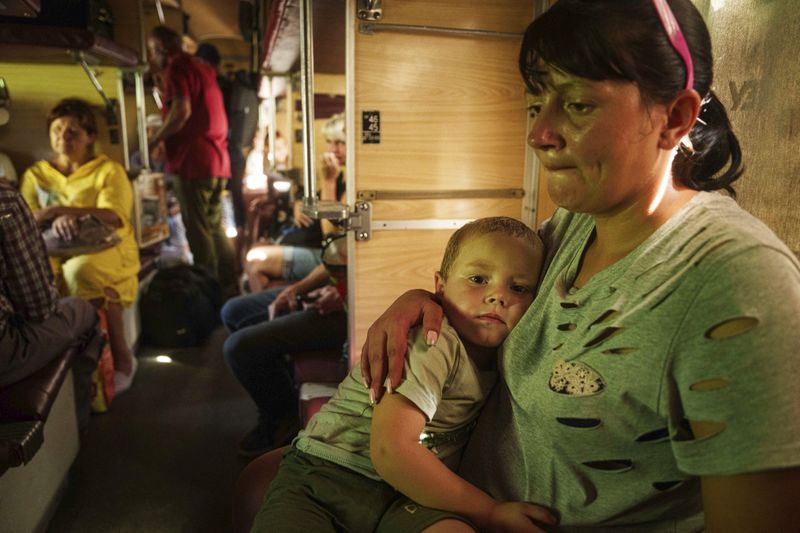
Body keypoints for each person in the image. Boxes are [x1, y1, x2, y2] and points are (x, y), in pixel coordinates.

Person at [361, 1, 800, 531]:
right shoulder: (575, 224)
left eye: (579, 105)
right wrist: (423, 300)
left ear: (676, 117)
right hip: (457, 504)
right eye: (537, 103)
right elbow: (492, 288)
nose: (540, 134)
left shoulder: (734, 285)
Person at [251, 217, 550, 532]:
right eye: (478, 279)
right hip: (328, 475)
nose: (498, 296)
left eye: (518, 287)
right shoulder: (434, 339)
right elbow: (391, 450)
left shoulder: (507, 354)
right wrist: (490, 512)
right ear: (440, 286)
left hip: (407, 494)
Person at [20, 98, 140, 395]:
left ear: (90, 137)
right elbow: (27, 218)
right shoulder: (36, 175)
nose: (63, 137)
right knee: (34, 276)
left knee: (83, 272)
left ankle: (122, 358)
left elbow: (114, 216)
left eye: (73, 131)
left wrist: (61, 211)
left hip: (103, 247)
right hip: (52, 248)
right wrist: (51, 217)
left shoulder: (108, 171)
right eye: (57, 129)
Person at [0, 178, 101, 429]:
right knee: (84, 311)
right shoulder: (6, 200)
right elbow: (39, 307)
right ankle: (78, 429)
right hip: (5, 352)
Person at [222, 260, 348, 457]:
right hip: (337, 286)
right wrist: (295, 290)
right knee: (233, 311)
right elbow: (336, 254)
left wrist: (347, 295)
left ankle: (282, 416)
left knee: (238, 347)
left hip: (354, 307)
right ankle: (278, 395)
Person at [146, 25, 237, 298]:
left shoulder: (176, 68)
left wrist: (155, 139)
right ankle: (228, 285)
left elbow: (181, 111)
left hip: (192, 162)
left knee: (198, 230)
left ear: (160, 49)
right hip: (217, 160)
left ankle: (206, 291)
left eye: (151, 51)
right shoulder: (203, 68)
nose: (152, 57)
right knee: (214, 225)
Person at [243, 112, 347, 292]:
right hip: (311, 243)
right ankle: (267, 303)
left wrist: (328, 181)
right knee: (253, 259)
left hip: (327, 255)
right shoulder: (341, 176)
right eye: (330, 142)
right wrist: (299, 205)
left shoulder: (347, 182)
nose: (333, 149)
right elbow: (308, 198)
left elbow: (331, 237)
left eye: (340, 143)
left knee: (256, 259)